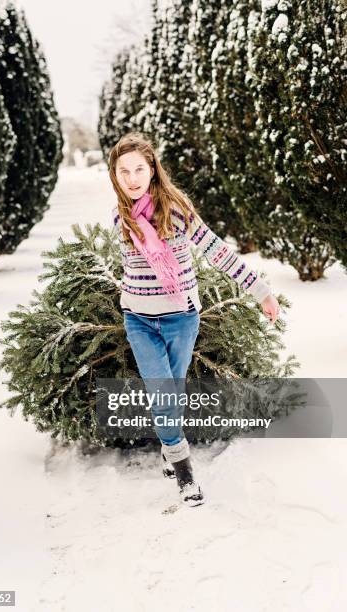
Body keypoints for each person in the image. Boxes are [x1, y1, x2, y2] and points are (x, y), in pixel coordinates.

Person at [109, 132, 280, 507]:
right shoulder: (119, 219)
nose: (133, 178)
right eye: (124, 172)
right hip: (138, 319)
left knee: (173, 390)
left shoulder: (177, 209)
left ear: (152, 169)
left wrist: (261, 290)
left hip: (181, 317)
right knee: (162, 391)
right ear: (115, 176)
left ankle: (168, 445)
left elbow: (216, 251)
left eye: (140, 168)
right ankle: (184, 473)